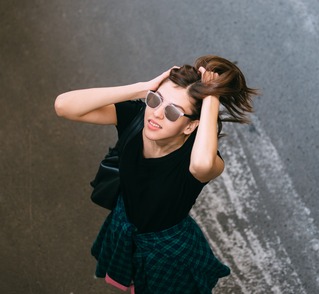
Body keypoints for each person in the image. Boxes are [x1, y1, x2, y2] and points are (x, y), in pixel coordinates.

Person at [54, 55, 258, 293]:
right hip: (125, 222)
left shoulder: (199, 158)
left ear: (191, 126)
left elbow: (202, 165)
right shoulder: (137, 116)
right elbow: (64, 106)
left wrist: (212, 97)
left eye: (173, 112)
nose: (157, 114)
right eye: (155, 100)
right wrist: (143, 88)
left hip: (167, 250)